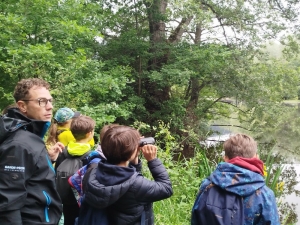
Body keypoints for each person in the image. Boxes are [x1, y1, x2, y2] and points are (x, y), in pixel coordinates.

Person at [79, 125, 173, 225]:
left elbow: (126, 177)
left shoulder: (93, 171)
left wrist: (134, 159)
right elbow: (166, 188)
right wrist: (153, 160)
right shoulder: (137, 185)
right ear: (131, 151)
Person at [0, 78, 63, 225]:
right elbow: (8, 201)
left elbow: (29, 175)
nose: (49, 107)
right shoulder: (19, 143)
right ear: (22, 106)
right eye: (42, 101)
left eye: (50, 100)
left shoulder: (28, 135)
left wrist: (47, 159)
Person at [191, 133, 280, 225]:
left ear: (225, 159)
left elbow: (196, 219)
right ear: (256, 158)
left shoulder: (207, 186)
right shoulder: (265, 195)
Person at [55, 115, 96, 225]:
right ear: (89, 133)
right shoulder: (91, 155)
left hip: (66, 199)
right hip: (83, 201)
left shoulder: (63, 152)